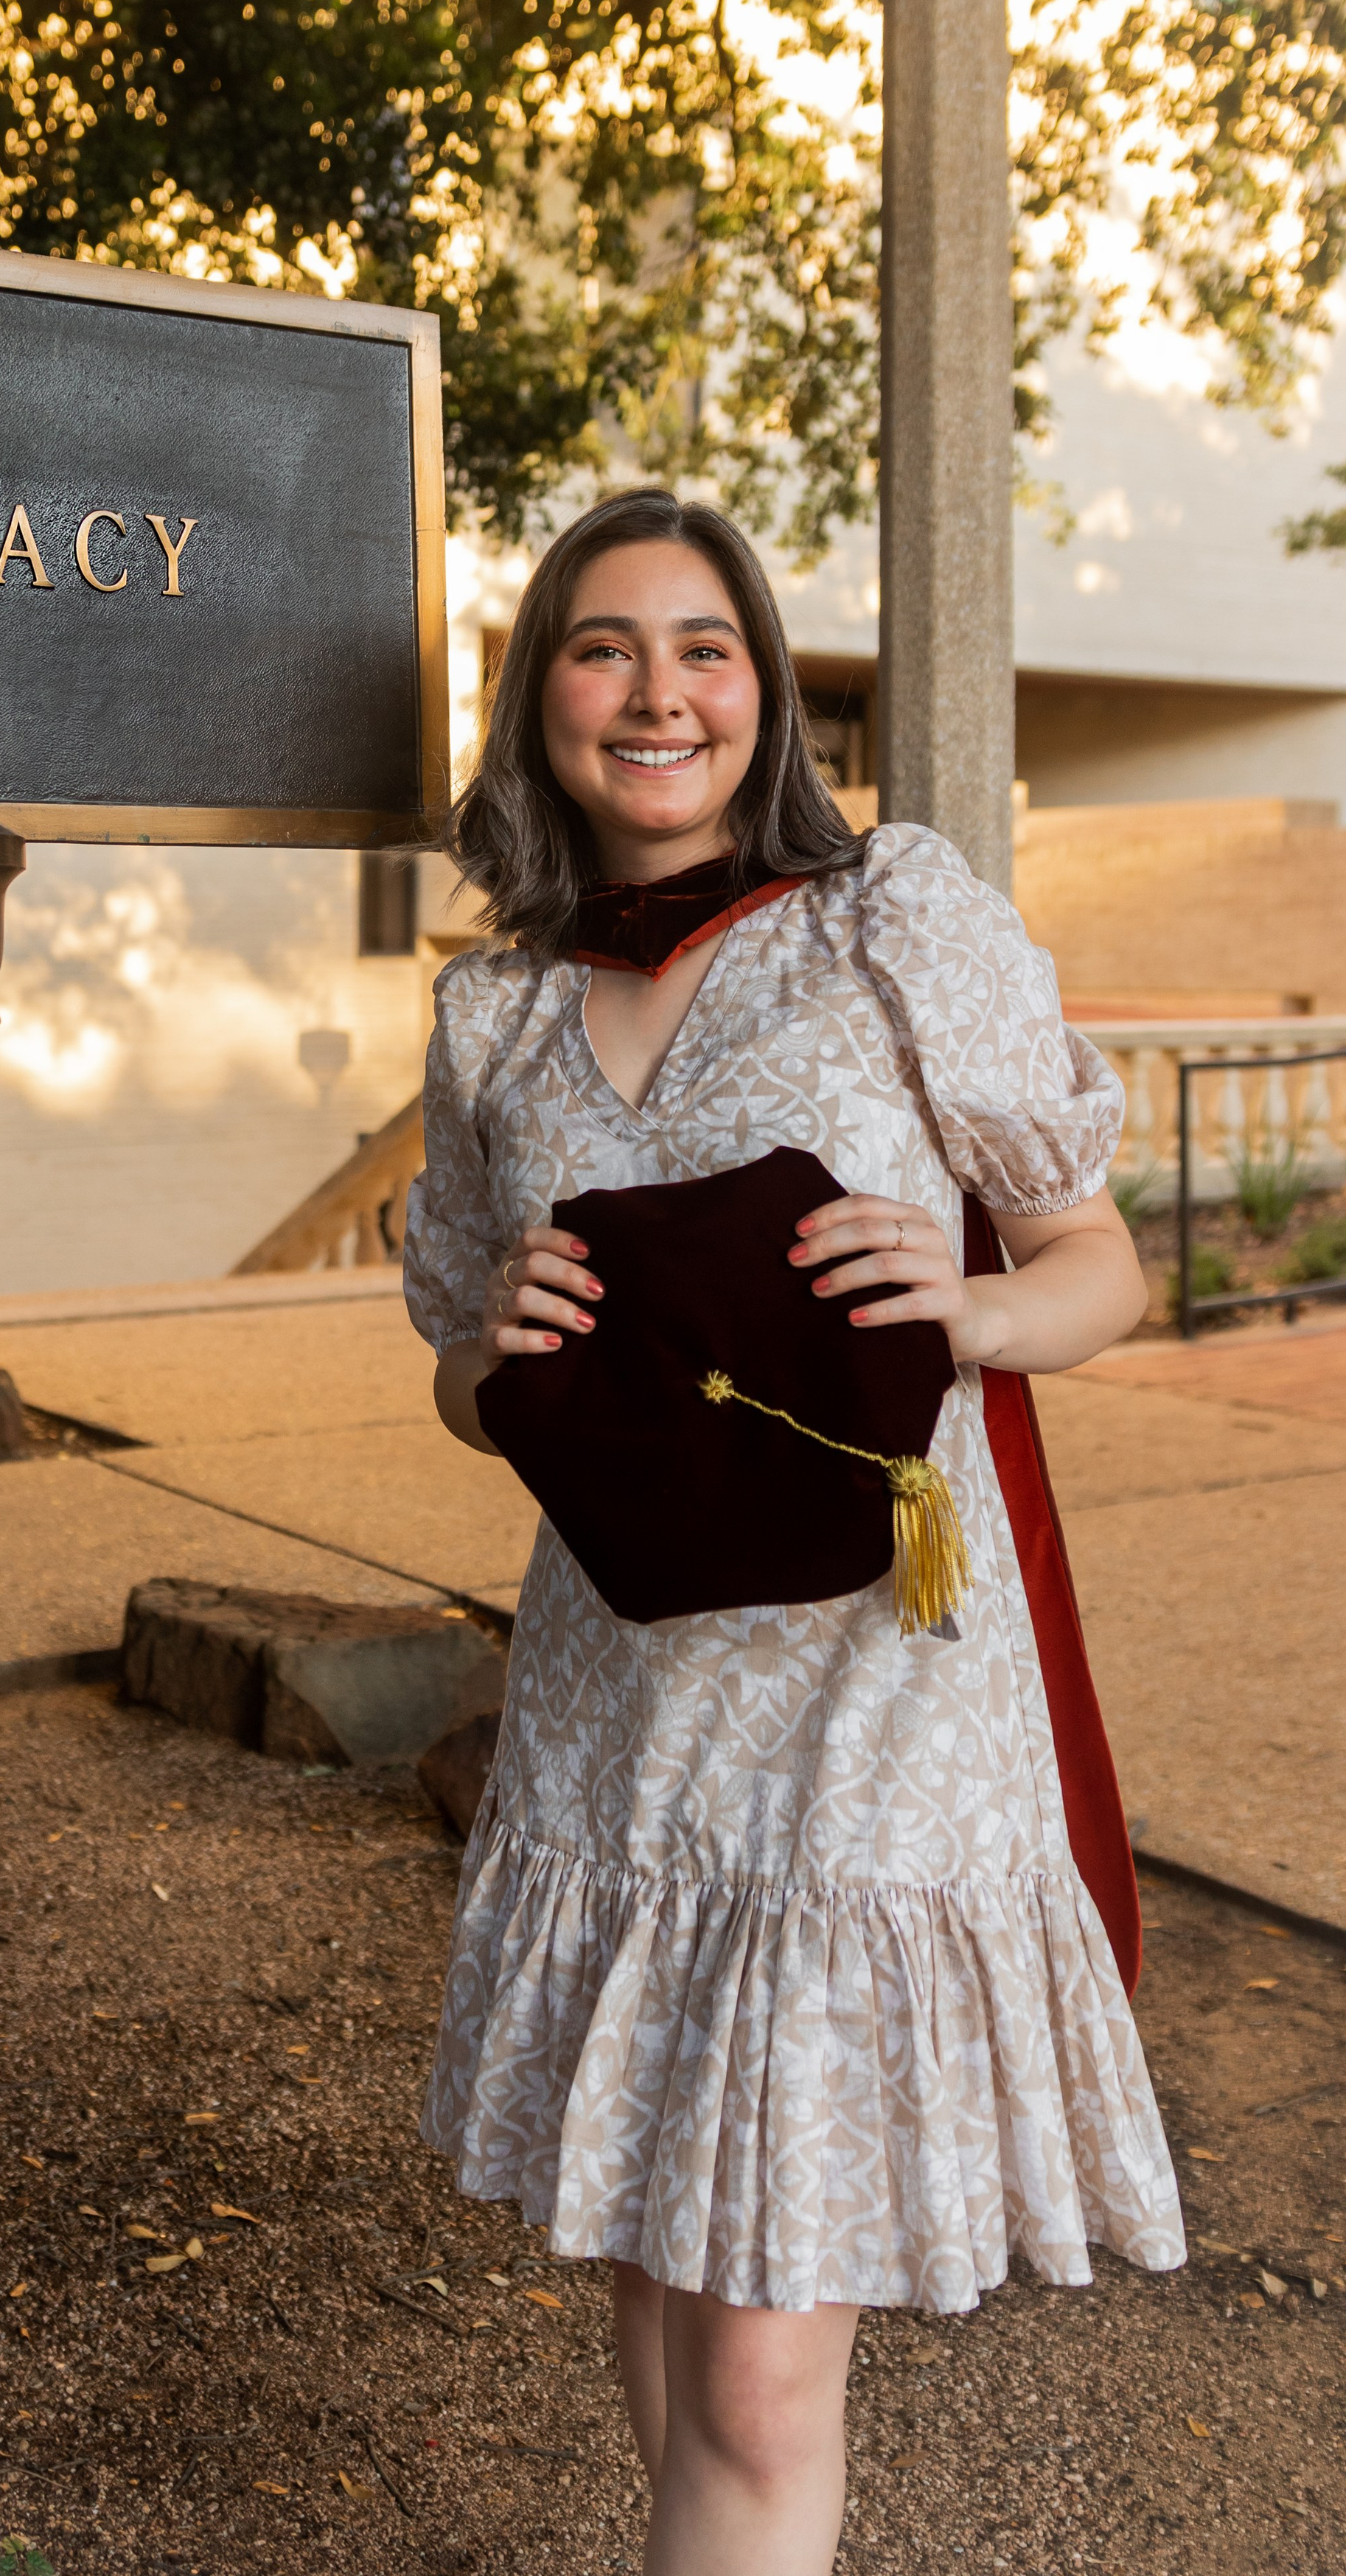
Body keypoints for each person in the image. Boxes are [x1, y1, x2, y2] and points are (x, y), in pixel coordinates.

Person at [403, 486, 1185, 2576]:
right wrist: (497, 1350)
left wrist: (972, 1306)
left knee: (756, 2379)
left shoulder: (885, 921)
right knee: (661, 2294)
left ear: (764, 692)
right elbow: (467, 1377)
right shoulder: (495, 1015)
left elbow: (1100, 1263)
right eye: (603, 647)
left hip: (875, 1695)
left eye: (705, 647)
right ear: (542, 699)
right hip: (623, 1701)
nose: (657, 692)